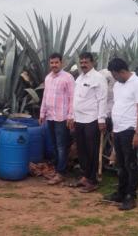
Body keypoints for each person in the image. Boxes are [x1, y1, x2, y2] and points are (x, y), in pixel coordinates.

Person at [104, 58, 138, 210]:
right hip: (118, 129)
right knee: (121, 164)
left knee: (130, 164)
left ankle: (131, 196)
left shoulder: (137, 84)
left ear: (122, 72)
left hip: (130, 130)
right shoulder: (117, 85)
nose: (113, 78)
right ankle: (120, 193)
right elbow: (118, 106)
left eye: (114, 75)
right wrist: (114, 130)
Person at [73, 52, 108, 192]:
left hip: (92, 119)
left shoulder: (98, 78)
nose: (83, 65)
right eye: (81, 62)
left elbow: (102, 99)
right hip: (79, 119)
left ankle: (92, 180)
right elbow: (76, 99)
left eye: (86, 62)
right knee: (81, 150)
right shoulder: (79, 78)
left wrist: (101, 119)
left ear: (92, 63)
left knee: (91, 151)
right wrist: (73, 117)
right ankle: (85, 176)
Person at [39, 52, 75, 185]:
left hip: (62, 117)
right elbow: (45, 96)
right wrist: (42, 113)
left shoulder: (68, 78)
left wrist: (71, 116)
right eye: (52, 63)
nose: (54, 65)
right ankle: (58, 169)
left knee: (61, 146)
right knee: (54, 144)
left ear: (62, 63)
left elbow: (72, 98)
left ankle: (61, 173)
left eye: (56, 62)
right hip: (50, 116)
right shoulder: (48, 78)